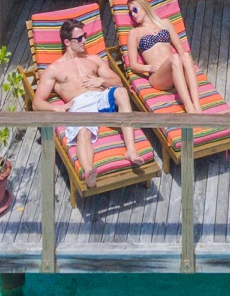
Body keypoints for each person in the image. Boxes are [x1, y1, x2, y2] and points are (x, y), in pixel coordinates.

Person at [32, 18, 146, 178]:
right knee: (83, 132)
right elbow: (37, 103)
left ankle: (131, 151)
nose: (84, 40)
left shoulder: (93, 59)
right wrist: (57, 108)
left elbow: (118, 82)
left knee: (121, 92)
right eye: (79, 38)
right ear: (66, 42)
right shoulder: (54, 69)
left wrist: (102, 81)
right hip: (79, 103)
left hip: (100, 98)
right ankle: (88, 170)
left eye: (84, 36)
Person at [124, 0, 202, 115]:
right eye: (130, 13)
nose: (133, 15)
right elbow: (133, 65)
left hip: (175, 70)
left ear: (144, 6)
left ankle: (197, 106)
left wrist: (189, 66)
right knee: (175, 58)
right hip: (159, 76)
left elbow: (181, 49)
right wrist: (148, 67)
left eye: (134, 10)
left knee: (185, 56)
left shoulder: (165, 23)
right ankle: (190, 109)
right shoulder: (135, 33)